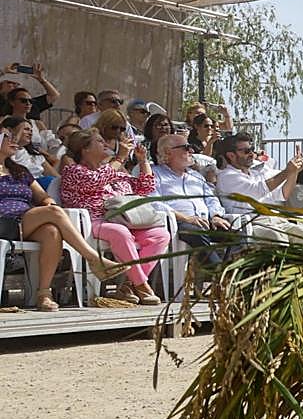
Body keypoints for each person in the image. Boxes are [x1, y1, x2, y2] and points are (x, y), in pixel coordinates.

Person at [0, 128, 121, 310]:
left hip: (25, 220)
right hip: (4, 220)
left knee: (52, 231)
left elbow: (42, 196)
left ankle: (43, 294)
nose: (13, 139)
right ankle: (93, 258)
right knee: (55, 213)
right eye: (6, 136)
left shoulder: (20, 171)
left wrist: (48, 201)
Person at [59, 129, 168, 305]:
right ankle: (141, 286)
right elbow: (95, 180)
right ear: (84, 149)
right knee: (120, 232)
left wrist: (142, 161)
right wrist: (120, 158)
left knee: (161, 235)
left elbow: (145, 187)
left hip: (124, 220)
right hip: (92, 221)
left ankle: (129, 285)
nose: (105, 144)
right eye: (99, 141)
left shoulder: (112, 171)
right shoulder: (74, 171)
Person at [151, 133, 234, 268]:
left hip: (205, 222)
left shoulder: (195, 176)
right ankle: (219, 274)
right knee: (196, 233)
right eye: (186, 147)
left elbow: (211, 199)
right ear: (168, 152)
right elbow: (153, 203)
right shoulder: (156, 174)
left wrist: (216, 216)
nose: (192, 150)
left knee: (235, 232)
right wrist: (186, 218)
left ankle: (236, 272)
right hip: (178, 224)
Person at [214, 134, 303, 243]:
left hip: (276, 221)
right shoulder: (227, 176)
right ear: (231, 155)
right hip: (251, 225)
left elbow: (284, 194)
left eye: (252, 149)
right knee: (276, 237)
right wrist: (288, 171)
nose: (251, 154)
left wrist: (294, 172)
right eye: (246, 151)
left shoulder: (257, 174)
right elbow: (258, 190)